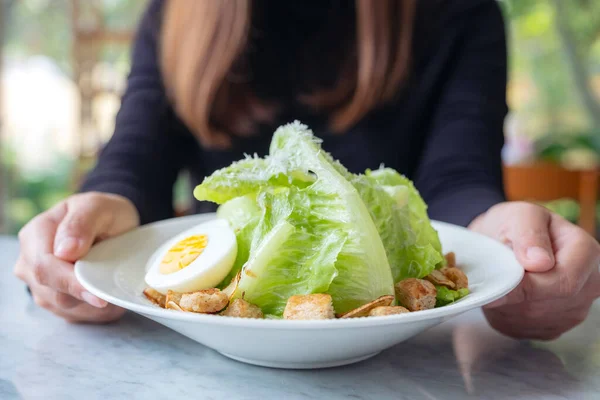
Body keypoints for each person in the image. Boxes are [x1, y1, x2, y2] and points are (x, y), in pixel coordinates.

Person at [14, 0, 600, 338]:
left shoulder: (459, 10)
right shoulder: (177, 13)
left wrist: (503, 238)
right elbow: (136, 162)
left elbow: (457, 178)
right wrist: (94, 216)